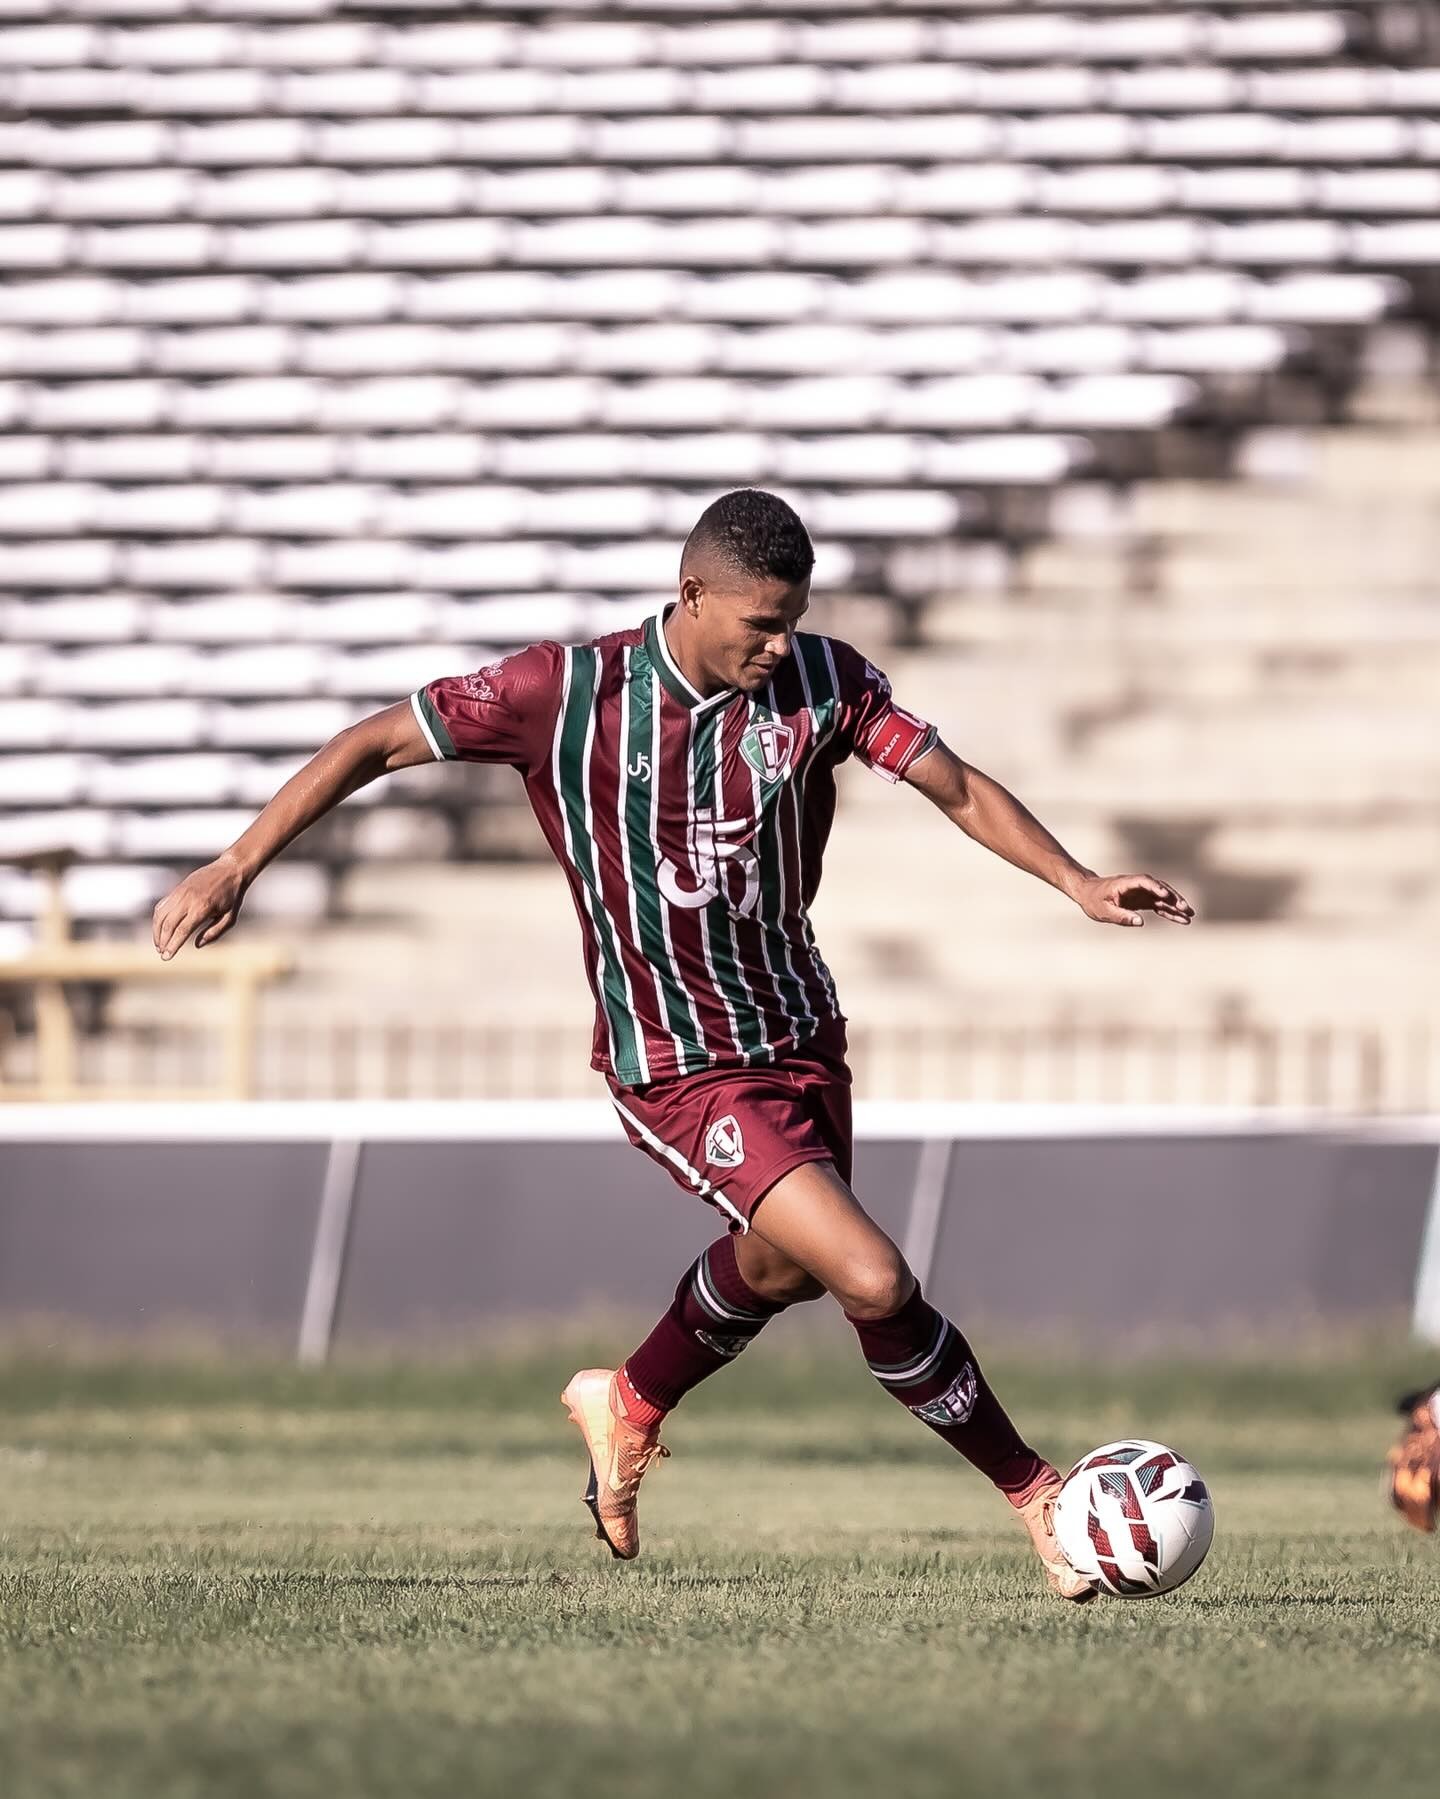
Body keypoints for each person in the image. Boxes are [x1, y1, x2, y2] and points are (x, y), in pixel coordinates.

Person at [152, 489, 1194, 1601]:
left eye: (792, 618)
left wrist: (1076, 878)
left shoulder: (825, 681)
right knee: (872, 1273)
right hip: (678, 1060)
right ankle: (1037, 1492)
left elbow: (955, 785)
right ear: (691, 593)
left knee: (784, 1263)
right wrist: (237, 862)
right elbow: (372, 741)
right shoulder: (564, 692)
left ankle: (629, 1400)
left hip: (799, 1031)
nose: (778, 643)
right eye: (759, 622)